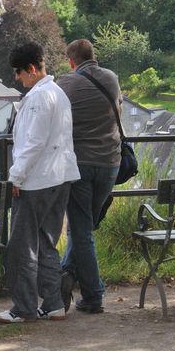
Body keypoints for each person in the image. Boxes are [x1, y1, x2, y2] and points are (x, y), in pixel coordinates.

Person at [0, 42, 79, 324]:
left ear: (31, 68)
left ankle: (24, 308)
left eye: (19, 72)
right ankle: (53, 304)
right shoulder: (58, 94)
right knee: (46, 243)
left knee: (21, 247)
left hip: (36, 181)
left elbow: (34, 143)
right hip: (60, 177)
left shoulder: (39, 98)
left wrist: (15, 176)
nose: (17, 78)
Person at [56, 39, 122, 314]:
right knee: (84, 228)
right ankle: (67, 275)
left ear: (71, 61)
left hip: (80, 164)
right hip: (110, 163)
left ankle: (92, 295)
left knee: (81, 230)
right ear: (94, 55)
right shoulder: (112, 78)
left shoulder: (66, 83)